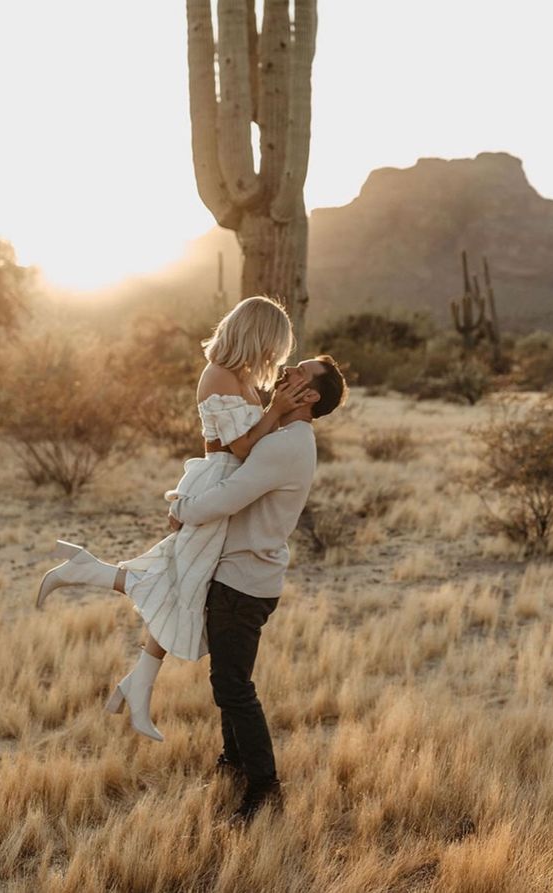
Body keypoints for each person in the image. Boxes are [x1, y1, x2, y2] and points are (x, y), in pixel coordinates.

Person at [36, 297, 308, 741]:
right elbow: (241, 449)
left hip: (228, 490)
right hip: (216, 484)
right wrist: (276, 412)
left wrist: (275, 415)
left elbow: (252, 447)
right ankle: (93, 580)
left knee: (186, 583)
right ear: (258, 336)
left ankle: (137, 681)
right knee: (185, 584)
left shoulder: (241, 379)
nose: (275, 358)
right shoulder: (220, 374)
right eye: (274, 346)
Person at [166, 355, 348, 824]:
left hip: (243, 582)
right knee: (228, 682)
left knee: (233, 688)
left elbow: (229, 496)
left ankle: (265, 789)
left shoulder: (287, 444)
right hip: (242, 576)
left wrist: (180, 507)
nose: (284, 373)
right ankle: (234, 765)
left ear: (308, 397)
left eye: (296, 374)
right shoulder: (285, 437)